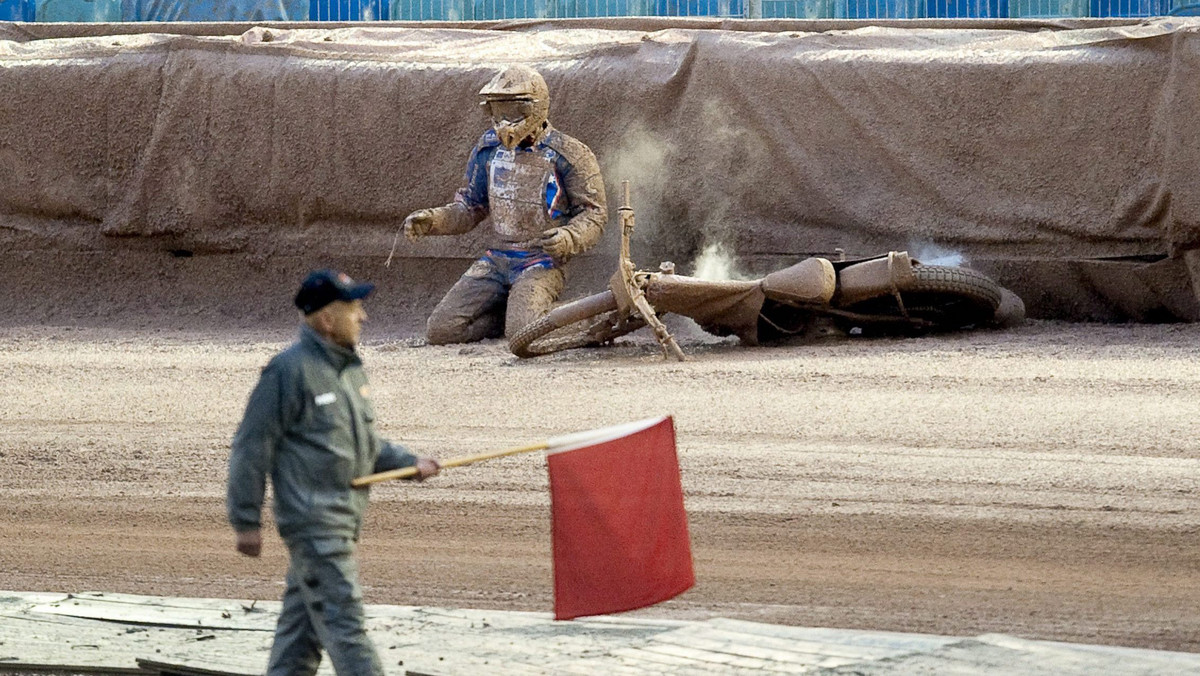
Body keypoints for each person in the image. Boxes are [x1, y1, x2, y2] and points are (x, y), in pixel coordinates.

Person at [227, 269, 440, 676]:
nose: (363, 317)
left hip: (342, 517)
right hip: (314, 522)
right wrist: (245, 520)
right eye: (353, 308)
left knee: (300, 634)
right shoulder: (287, 372)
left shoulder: (348, 371)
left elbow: (363, 446)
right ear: (326, 319)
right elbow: (251, 446)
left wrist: (408, 464)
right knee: (346, 626)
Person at [402, 64, 608, 345]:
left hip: (542, 260)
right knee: (442, 330)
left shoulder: (569, 154)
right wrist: (434, 220)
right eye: (497, 112)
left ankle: (591, 315)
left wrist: (568, 237)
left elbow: (594, 213)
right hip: (498, 259)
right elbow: (472, 206)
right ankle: (516, 316)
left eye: (513, 112)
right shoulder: (487, 149)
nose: (504, 122)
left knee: (525, 334)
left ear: (535, 108)